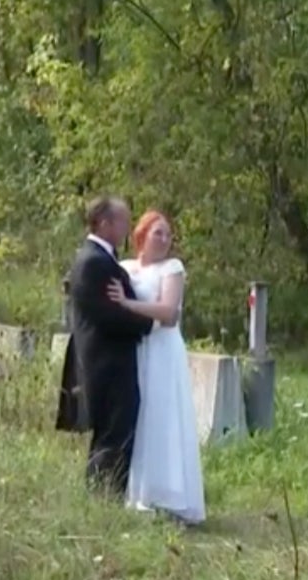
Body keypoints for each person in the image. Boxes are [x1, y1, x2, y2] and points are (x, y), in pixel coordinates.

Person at [105, 210, 206, 524]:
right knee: (136, 416)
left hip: (162, 349)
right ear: (141, 236)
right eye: (157, 233)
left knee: (162, 417)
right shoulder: (125, 268)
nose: (164, 239)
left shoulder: (172, 268)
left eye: (168, 234)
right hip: (135, 349)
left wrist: (128, 304)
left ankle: (169, 494)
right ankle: (136, 491)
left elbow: (168, 312)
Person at [58, 196, 156, 497]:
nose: (127, 228)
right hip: (107, 362)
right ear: (104, 223)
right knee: (114, 435)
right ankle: (104, 499)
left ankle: (104, 496)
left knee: (113, 434)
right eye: (123, 221)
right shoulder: (95, 263)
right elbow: (109, 316)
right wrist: (146, 320)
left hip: (106, 361)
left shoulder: (98, 259)